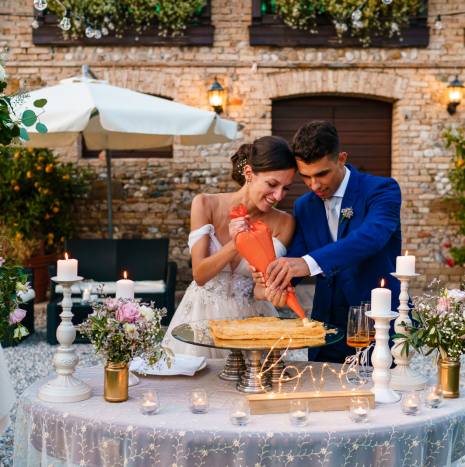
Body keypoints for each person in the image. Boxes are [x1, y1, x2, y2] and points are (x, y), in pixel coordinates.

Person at [250, 121, 402, 363]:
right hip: (325, 332)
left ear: (341, 159)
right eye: (306, 177)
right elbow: (298, 256)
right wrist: (275, 275)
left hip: (377, 328)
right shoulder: (304, 205)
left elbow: (371, 237)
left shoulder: (382, 189)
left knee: (379, 400)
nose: (315, 185)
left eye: (322, 173)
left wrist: (306, 263)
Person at [161, 136, 297, 358]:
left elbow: (261, 287)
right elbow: (200, 275)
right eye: (273, 184)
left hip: (252, 323)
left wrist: (273, 291)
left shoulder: (284, 223)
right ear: (249, 173)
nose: (278, 196)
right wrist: (237, 243)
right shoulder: (205, 204)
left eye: (286, 188)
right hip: (200, 317)